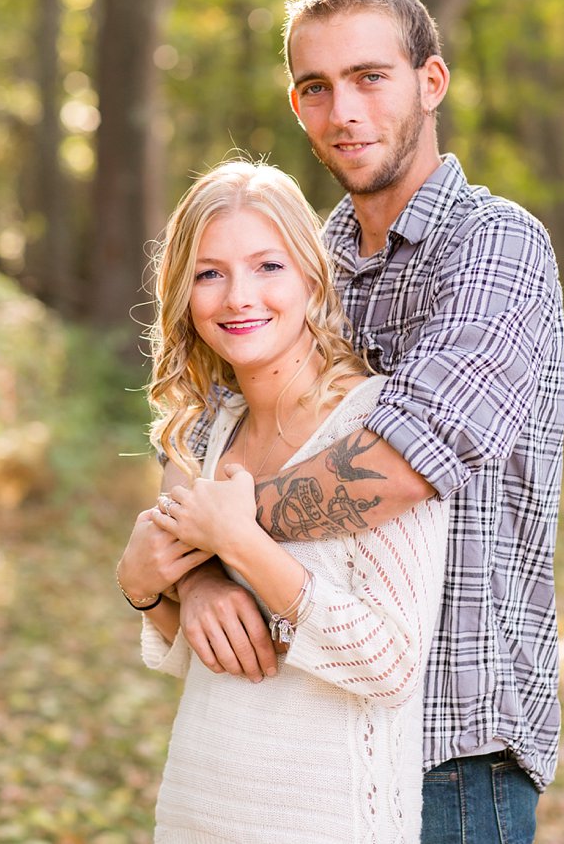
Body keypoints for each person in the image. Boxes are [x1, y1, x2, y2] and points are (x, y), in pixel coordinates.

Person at [122, 0, 564, 844]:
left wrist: (216, 536)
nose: (345, 110)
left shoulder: (497, 244)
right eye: (317, 88)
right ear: (297, 105)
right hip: (302, 740)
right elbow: (205, 428)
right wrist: (201, 574)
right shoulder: (297, 259)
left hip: (454, 741)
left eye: (371, 77)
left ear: (430, 83)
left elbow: (402, 465)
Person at [118, 160, 450, 842]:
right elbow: (205, 650)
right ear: (183, 293)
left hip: (325, 818)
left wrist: (241, 543)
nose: (239, 296)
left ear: (311, 276)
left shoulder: (373, 430)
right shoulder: (210, 432)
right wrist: (148, 588)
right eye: (210, 273)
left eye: (267, 266)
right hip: (198, 806)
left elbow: (390, 665)